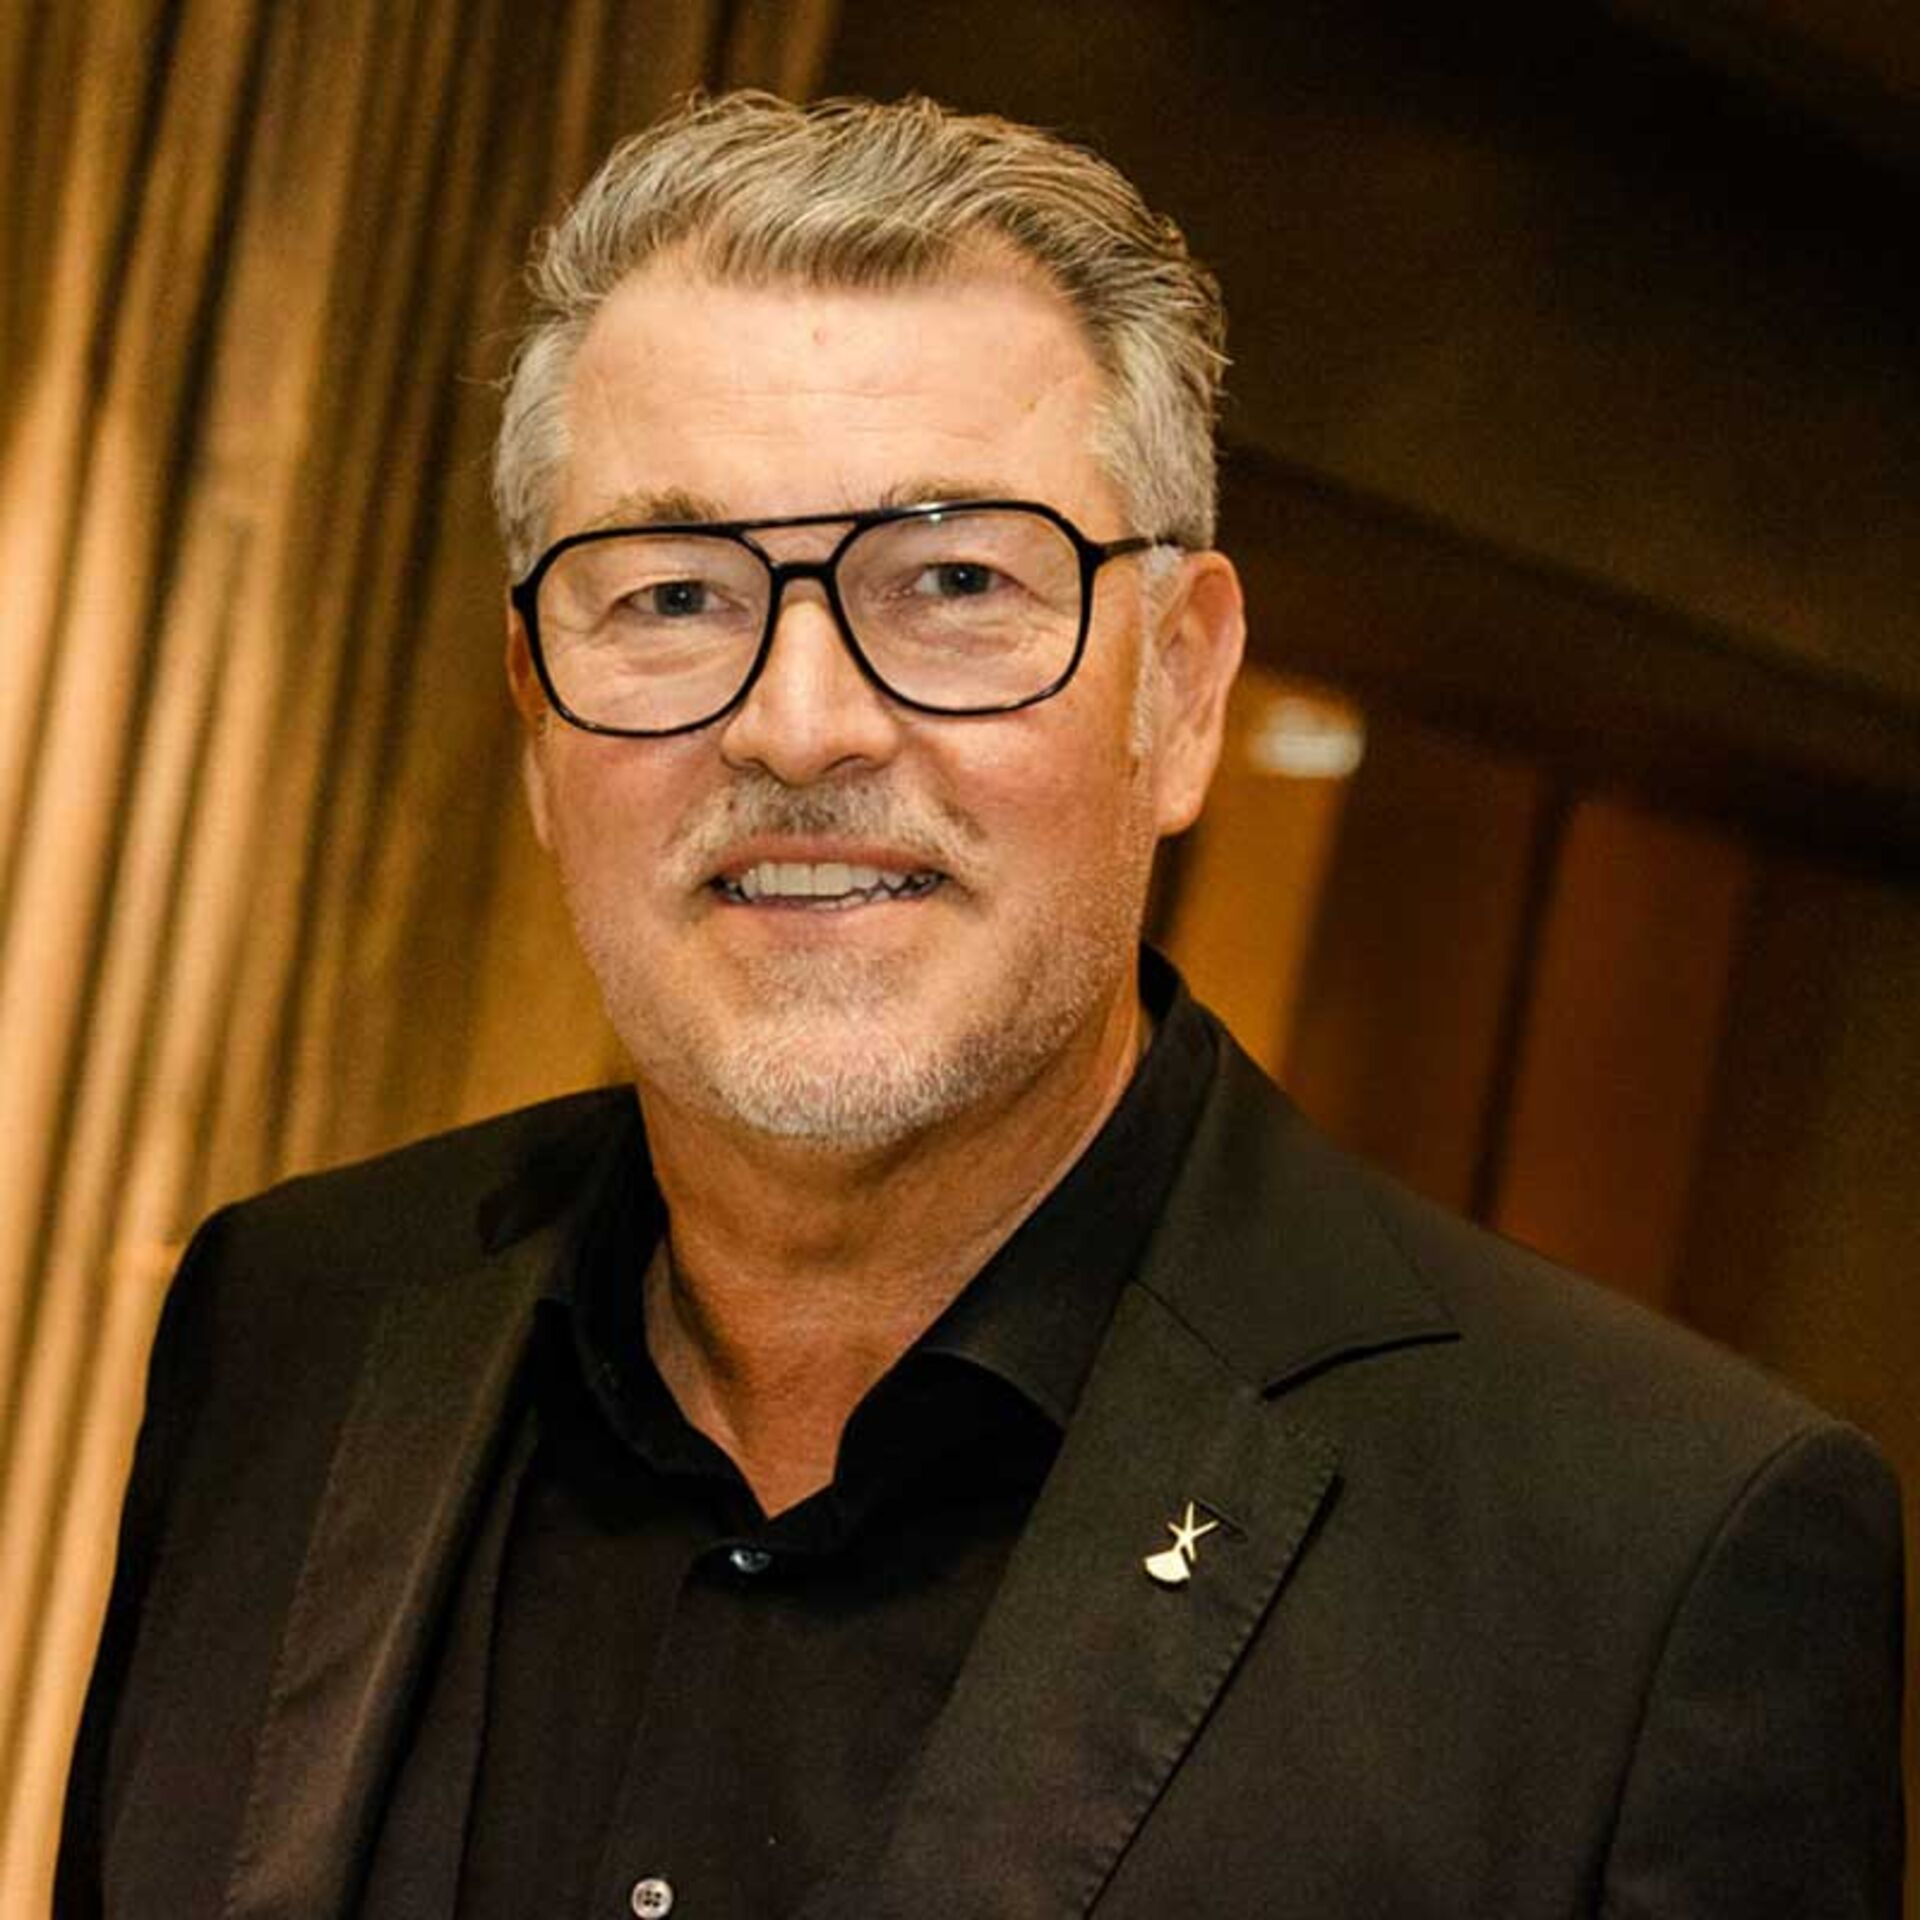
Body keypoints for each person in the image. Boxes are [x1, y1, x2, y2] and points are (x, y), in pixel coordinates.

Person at [59, 91, 1902, 1919]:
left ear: (1180, 693)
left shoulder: (1639, 1566)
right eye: (674, 596)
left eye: (952, 581)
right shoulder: (290, 1331)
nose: (798, 726)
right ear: (540, 719)